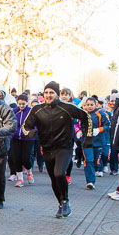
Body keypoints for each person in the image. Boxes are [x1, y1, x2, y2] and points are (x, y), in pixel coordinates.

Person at [21, 81, 91, 218]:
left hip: (64, 147)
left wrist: (88, 137)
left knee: (59, 173)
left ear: (57, 94)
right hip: (47, 148)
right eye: (46, 92)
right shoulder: (37, 109)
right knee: (53, 178)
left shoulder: (67, 107)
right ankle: (61, 203)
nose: (48, 95)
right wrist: (30, 133)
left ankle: (65, 201)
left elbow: (86, 116)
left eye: (51, 93)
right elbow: (25, 126)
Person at [82, 97, 110, 190]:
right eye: (88, 105)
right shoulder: (83, 114)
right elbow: (79, 125)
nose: (89, 107)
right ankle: (90, 181)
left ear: (95, 104)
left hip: (98, 141)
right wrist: (79, 131)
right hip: (86, 141)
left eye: (91, 105)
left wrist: (99, 129)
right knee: (88, 160)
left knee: (95, 161)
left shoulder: (101, 114)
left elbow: (108, 125)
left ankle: (98, 169)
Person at [8, 93, 35, 187]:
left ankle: (29, 172)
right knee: (16, 158)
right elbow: (9, 123)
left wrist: (32, 132)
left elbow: (36, 124)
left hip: (27, 138)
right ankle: (20, 179)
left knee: (25, 158)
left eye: (23, 104)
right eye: (19, 104)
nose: (21, 106)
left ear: (27, 102)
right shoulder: (14, 111)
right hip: (15, 138)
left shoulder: (31, 112)